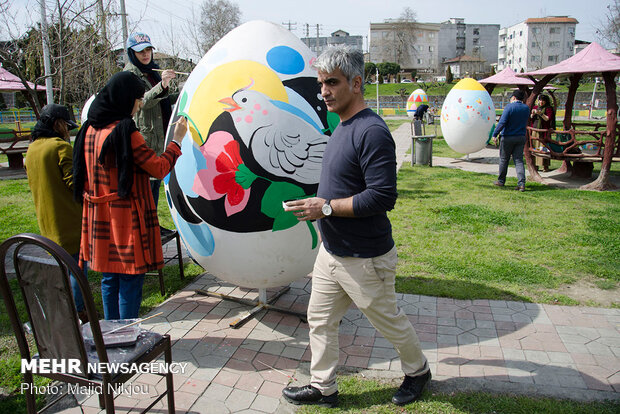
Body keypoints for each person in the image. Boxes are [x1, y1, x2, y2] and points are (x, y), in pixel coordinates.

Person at [281, 46, 430, 408]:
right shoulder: (343, 126)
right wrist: (318, 203)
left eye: (332, 82)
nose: (324, 91)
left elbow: (382, 197)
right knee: (319, 319)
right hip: (332, 253)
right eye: (321, 83)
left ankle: (418, 371)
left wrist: (327, 207)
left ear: (357, 83)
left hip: (364, 257)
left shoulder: (373, 132)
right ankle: (323, 386)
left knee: (388, 321)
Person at [73, 71, 187, 320]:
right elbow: (158, 168)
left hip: (98, 214)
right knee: (130, 278)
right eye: (137, 101)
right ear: (125, 99)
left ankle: (112, 335)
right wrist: (176, 142)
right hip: (124, 216)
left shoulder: (89, 129)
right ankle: (128, 335)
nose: (138, 107)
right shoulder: (125, 131)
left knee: (109, 277)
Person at [24, 104, 89, 323]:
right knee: (77, 270)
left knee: (62, 269)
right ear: (57, 124)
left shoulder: (31, 149)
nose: (68, 132)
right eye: (65, 126)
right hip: (69, 221)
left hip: (47, 222)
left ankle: (66, 309)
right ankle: (78, 312)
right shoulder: (60, 147)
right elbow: (75, 184)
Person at [123, 32, 176, 208]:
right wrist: (162, 85)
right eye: (141, 51)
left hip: (159, 138)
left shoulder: (152, 71)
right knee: (147, 189)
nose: (146, 55)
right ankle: (149, 228)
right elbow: (142, 101)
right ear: (132, 53)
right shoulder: (130, 75)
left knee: (155, 186)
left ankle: (154, 226)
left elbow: (163, 99)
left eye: (148, 50)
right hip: (146, 140)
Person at [492, 89, 530, 192]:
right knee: (518, 161)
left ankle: (501, 181)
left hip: (508, 137)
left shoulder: (509, 107)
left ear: (513, 97)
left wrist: (495, 134)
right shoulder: (526, 108)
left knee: (504, 159)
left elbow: (502, 122)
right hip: (521, 137)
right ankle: (521, 183)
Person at [530, 95, 555, 172]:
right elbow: (531, 117)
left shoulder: (548, 108)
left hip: (544, 130)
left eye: (543, 100)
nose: (541, 102)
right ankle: (535, 165)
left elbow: (548, 119)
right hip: (535, 130)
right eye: (540, 100)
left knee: (543, 147)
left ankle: (545, 166)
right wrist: (533, 114)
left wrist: (540, 113)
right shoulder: (535, 107)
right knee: (534, 147)